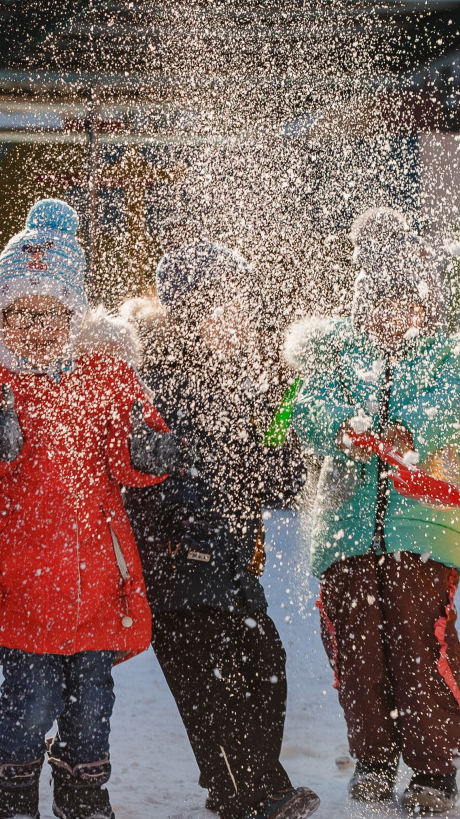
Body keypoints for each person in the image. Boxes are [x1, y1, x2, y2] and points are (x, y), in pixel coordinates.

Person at [0, 199, 177, 819]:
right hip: (17, 578)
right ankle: (11, 796)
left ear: (74, 316)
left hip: (95, 577)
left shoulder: (104, 375)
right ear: (2, 315)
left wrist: (149, 450)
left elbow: (134, 450)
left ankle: (83, 796)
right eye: (22, 312)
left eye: (53, 313)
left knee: (93, 700)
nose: (37, 326)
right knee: (30, 697)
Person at [283, 207, 460, 815]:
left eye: (402, 299)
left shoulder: (445, 359)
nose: (389, 314)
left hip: (421, 535)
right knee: (358, 656)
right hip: (347, 534)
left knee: (423, 652)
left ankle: (433, 768)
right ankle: (374, 757)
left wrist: (414, 433)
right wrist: (343, 430)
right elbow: (307, 417)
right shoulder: (338, 359)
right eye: (376, 299)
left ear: (422, 305)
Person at [120, 243, 320, 819]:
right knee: (210, 685)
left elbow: (272, 484)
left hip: (230, 560)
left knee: (264, 665)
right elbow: (155, 476)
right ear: (186, 315)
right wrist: (190, 534)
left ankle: (258, 782)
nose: (236, 320)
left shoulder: (240, 382)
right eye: (220, 308)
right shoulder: (161, 383)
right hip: (180, 566)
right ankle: (240, 791)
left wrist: (282, 438)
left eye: (239, 307)